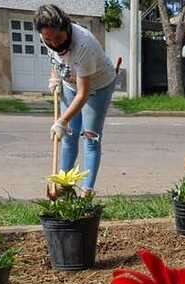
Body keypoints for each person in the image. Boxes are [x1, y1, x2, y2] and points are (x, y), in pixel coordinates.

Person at [35, 4, 116, 195]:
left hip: (98, 86)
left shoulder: (83, 45)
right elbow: (55, 57)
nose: (54, 43)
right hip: (71, 84)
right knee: (68, 136)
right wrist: (55, 76)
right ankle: (63, 186)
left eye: (58, 38)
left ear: (67, 28)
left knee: (90, 137)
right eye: (49, 39)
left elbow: (84, 93)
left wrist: (62, 121)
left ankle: (86, 192)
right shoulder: (46, 35)